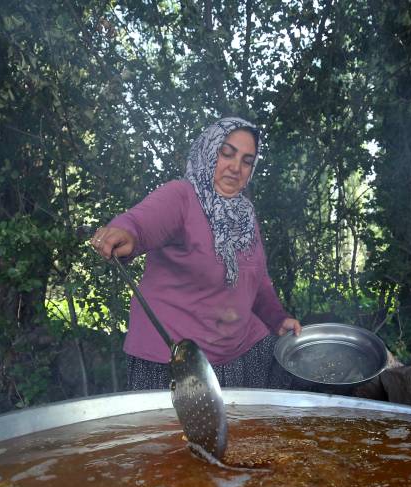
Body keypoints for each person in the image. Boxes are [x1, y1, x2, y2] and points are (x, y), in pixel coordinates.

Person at [90, 116, 301, 391]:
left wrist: (277, 318)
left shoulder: (244, 215)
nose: (236, 167)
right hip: (175, 358)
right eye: (227, 153)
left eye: (247, 161)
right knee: (170, 435)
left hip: (240, 353)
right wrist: (124, 233)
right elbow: (141, 222)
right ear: (208, 151)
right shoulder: (182, 197)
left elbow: (256, 280)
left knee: (244, 432)